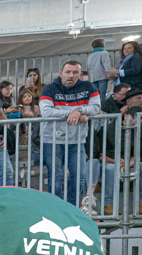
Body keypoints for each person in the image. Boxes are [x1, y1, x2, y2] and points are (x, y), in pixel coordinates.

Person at [39, 60, 101, 206]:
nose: (71, 75)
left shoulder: (88, 87)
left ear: (80, 75)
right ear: (61, 74)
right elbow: (46, 112)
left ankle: (73, 208)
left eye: (75, 72)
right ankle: (57, 209)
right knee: (56, 176)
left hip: (77, 140)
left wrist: (79, 110)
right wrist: (74, 113)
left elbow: (96, 107)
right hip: (52, 140)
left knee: (79, 177)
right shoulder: (49, 88)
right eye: (67, 72)